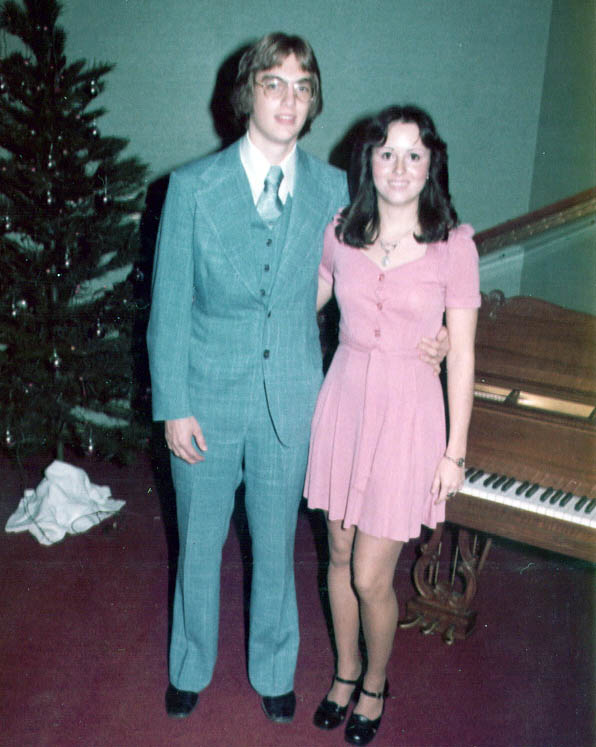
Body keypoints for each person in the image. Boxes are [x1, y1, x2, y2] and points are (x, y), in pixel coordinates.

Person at [147, 34, 448, 725]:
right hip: (204, 397)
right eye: (274, 83)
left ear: (314, 103)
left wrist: (428, 338)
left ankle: (274, 668)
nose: (289, 99)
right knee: (198, 543)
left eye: (302, 86)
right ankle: (189, 665)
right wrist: (173, 405)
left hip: (293, 396)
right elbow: (167, 308)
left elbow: (390, 263)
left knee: (277, 542)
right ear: (246, 94)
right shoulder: (191, 188)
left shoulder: (337, 189)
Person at [304, 104, 480, 745]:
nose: (399, 167)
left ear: (432, 165)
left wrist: (455, 451)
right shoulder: (339, 232)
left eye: (413, 154)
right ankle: (345, 673)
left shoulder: (453, 245)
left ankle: (376, 683)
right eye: (386, 153)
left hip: (407, 415)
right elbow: (298, 308)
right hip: (344, 404)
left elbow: (462, 355)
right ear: (368, 162)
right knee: (338, 556)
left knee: (370, 575)